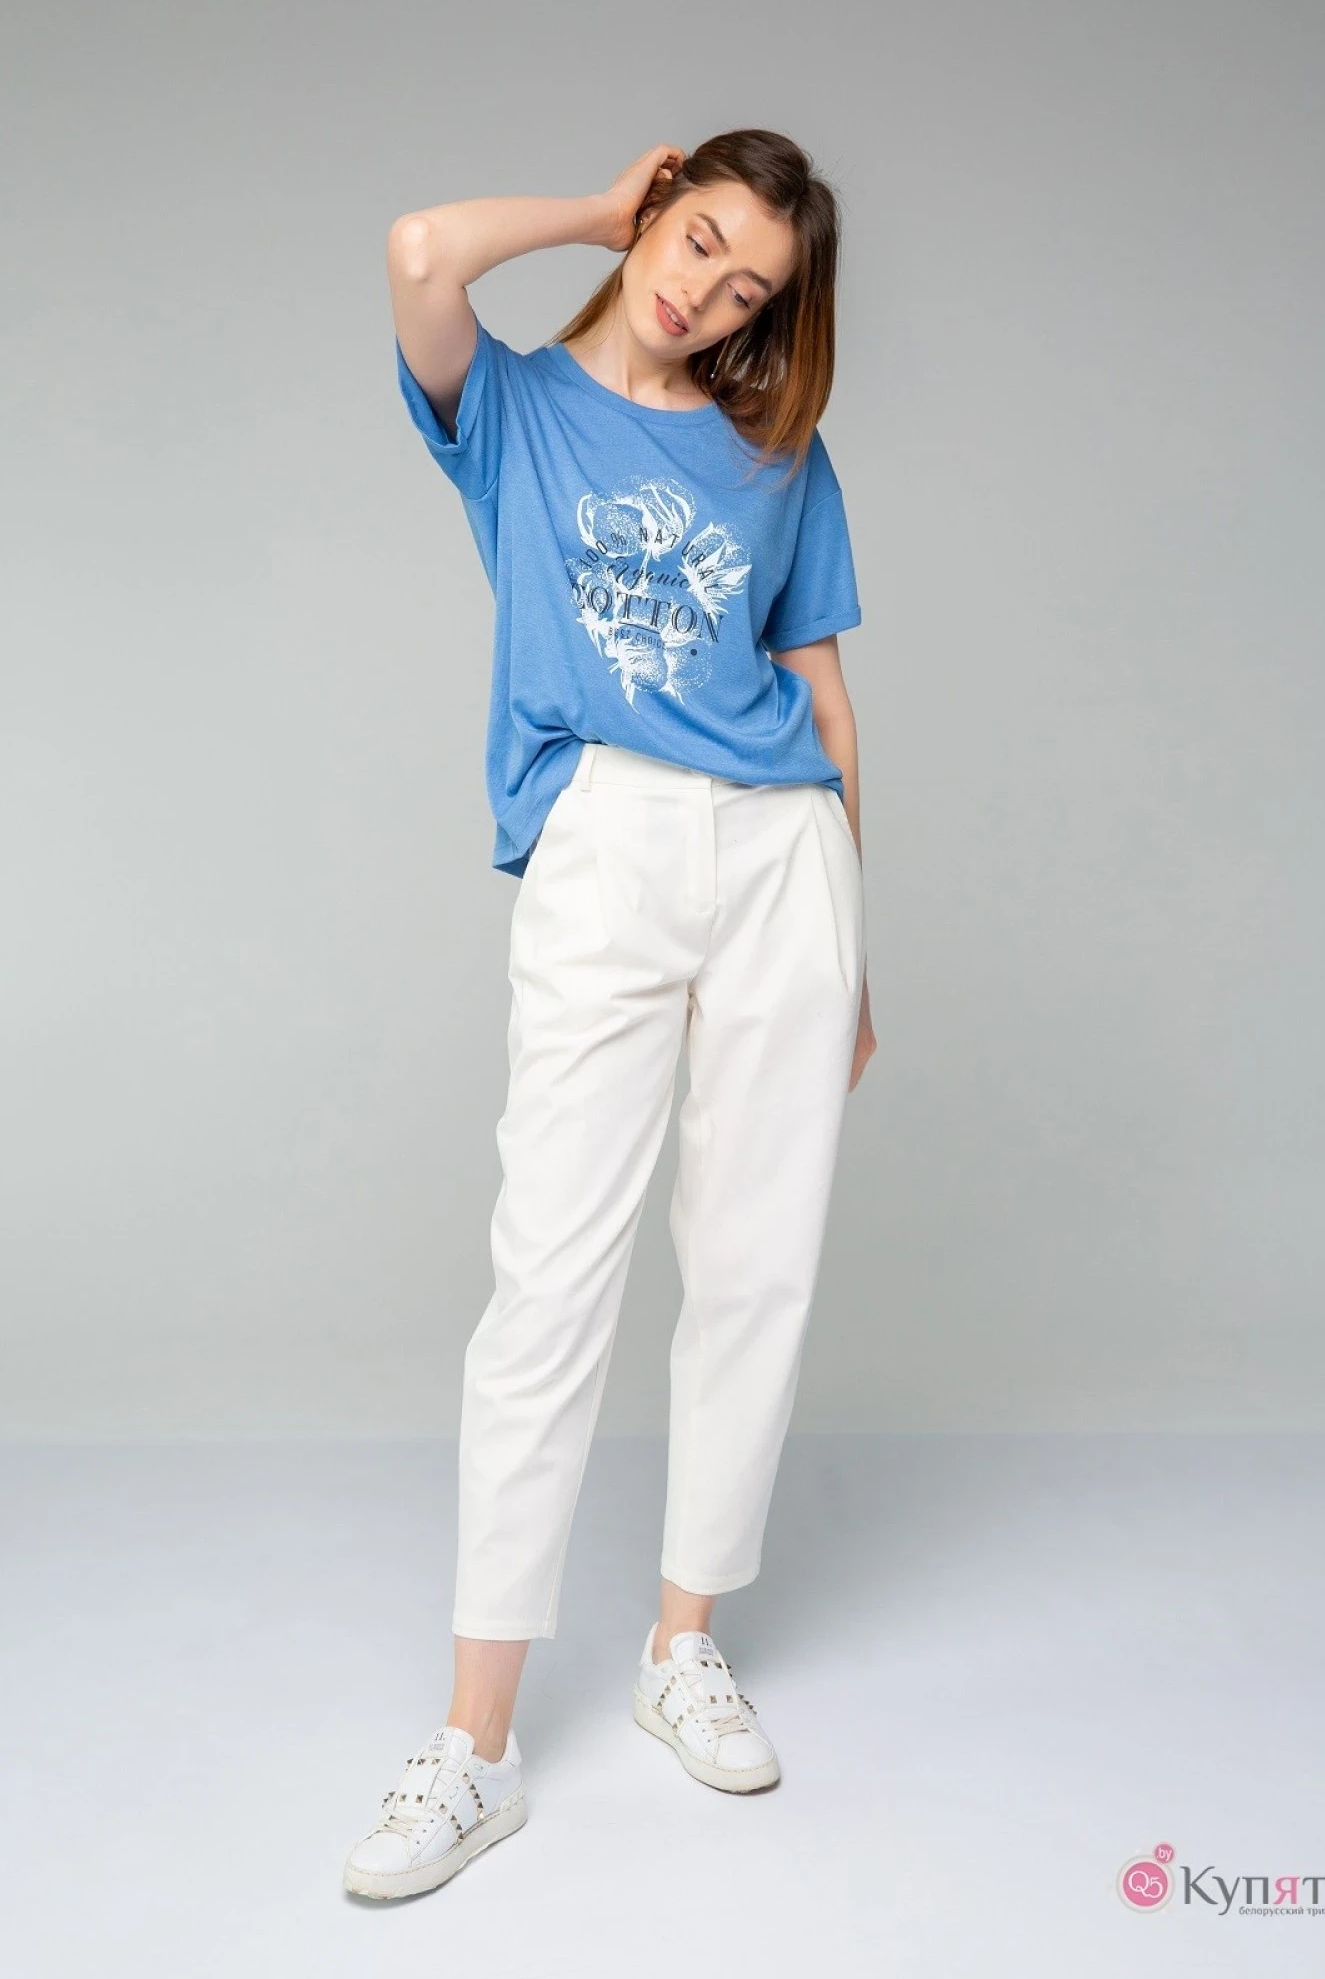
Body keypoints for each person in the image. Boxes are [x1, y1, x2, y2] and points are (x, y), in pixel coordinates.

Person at [343, 130, 877, 1902]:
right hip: (606, 843)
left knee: (755, 1263)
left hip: (784, 854)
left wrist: (857, 940)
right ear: (656, 212)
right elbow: (421, 247)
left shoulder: (777, 453)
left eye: (748, 285)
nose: (707, 291)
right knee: (552, 1280)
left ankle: (681, 1645)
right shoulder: (511, 412)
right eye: (697, 239)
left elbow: (823, 696)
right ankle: (476, 1747)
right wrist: (596, 211)